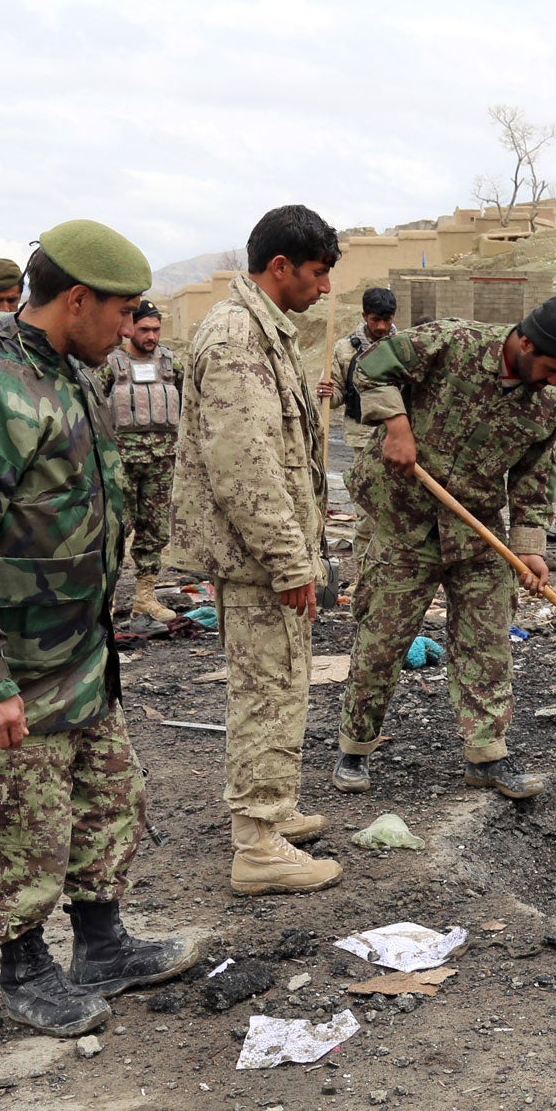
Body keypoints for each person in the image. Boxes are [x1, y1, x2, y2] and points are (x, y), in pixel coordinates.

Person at [0, 220, 203, 1037]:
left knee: (110, 794)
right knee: (23, 818)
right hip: (15, 660)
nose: (130, 325)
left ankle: (102, 944)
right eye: (123, 309)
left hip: (79, 650)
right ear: (77, 298)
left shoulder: (67, 373)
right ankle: (25, 963)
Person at [333, 296, 556, 801]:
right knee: (383, 640)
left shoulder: (547, 400)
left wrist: (531, 546)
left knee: (488, 643)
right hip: (404, 516)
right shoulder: (454, 342)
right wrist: (397, 426)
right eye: (551, 368)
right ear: (525, 343)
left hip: (477, 530)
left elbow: (536, 476)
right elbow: (372, 367)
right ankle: (354, 749)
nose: (555, 381)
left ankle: (487, 757)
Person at [170, 206, 341, 897]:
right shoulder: (239, 335)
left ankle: (273, 810)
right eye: (317, 273)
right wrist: (289, 561)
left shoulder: (264, 330)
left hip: (267, 554)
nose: (325, 288)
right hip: (258, 560)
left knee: (284, 685)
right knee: (265, 691)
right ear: (280, 268)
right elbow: (246, 464)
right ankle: (257, 842)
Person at [102, 299, 182, 622]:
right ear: (130, 327)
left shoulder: (170, 364)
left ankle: (144, 598)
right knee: (116, 531)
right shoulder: (111, 364)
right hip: (121, 462)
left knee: (155, 531)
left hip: (162, 463)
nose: (151, 336)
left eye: (156, 329)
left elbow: (191, 398)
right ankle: (104, 600)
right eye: (145, 329)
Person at [327, 286, 399, 562]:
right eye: (375, 320)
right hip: (361, 440)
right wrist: (326, 392)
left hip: (398, 439)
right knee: (367, 510)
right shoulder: (345, 349)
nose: (381, 327)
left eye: (387, 320)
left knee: (395, 511)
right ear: (364, 316)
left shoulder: (405, 346)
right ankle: (363, 575)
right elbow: (335, 398)